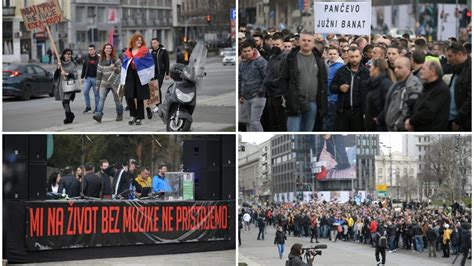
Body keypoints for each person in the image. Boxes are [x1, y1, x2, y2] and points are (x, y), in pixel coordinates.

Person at [280, 32, 327, 132]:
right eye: (304, 40)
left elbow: (323, 81)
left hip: (312, 102)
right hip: (294, 102)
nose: (306, 43)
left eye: (309, 41)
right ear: (299, 42)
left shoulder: (319, 59)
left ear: (313, 43)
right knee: (293, 132)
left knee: (307, 133)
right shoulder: (291, 58)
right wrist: (286, 96)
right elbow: (283, 79)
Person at [331, 47, 369, 131]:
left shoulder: (366, 72)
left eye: (356, 56)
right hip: (343, 111)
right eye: (352, 57)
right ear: (348, 57)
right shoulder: (341, 71)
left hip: (359, 112)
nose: (354, 59)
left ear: (360, 56)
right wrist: (339, 88)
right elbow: (332, 87)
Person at [404, 61, 450, 131]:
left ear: (433, 71)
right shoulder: (427, 87)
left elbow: (428, 112)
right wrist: (408, 118)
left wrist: (411, 122)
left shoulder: (441, 89)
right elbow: (418, 105)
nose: (420, 72)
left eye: (423, 69)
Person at [121, 33, 154, 126]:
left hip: (141, 75)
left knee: (140, 97)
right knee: (129, 96)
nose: (139, 41)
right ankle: (132, 115)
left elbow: (150, 62)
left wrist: (150, 75)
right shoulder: (128, 51)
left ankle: (139, 117)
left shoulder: (145, 51)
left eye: (141, 40)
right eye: (137, 40)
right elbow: (124, 63)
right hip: (130, 75)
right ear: (133, 41)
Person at [384, 57, 422, 131]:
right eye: (395, 67)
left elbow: (410, 109)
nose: (396, 70)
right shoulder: (396, 84)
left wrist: (398, 125)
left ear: (408, 68)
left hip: (401, 130)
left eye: (399, 67)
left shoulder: (413, 84)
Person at [238, 40, 267, 131]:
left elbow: (267, 78)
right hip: (246, 97)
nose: (247, 53)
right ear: (241, 52)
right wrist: (240, 94)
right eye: (244, 51)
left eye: (249, 51)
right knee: (250, 123)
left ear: (253, 50)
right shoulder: (242, 63)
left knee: (255, 122)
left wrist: (260, 92)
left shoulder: (261, 61)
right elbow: (240, 79)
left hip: (257, 97)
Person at [262, 33, 287, 131]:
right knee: (272, 121)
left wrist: (271, 82)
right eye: (274, 45)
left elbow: (283, 76)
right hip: (271, 93)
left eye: (278, 45)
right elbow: (268, 73)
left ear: (283, 45)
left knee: (281, 121)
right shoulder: (272, 57)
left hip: (280, 94)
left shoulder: (285, 57)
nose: (275, 47)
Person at [93, 43, 123, 123]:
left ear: (112, 50)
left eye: (110, 48)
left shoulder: (115, 59)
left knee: (117, 100)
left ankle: (119, 114)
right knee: (101, 99)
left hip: (115, 83)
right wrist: (97, 85)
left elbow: (120, 70)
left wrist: (115, 68)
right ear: (104, 49)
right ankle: (98, 115)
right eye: (107, 48)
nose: (108, 49)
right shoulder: (101, 60)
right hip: (104, 83)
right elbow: (99, 73)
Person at [446, 42, 471, 131]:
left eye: (450, 56)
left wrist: (458, 120)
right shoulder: (457, 69)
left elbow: (470, 99)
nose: (448, 60)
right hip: (451, 118)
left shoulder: (470, 70)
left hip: (463, 122)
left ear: (459, 54)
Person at [365, 58, 393, 131]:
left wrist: (378, 119)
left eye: (371, 67)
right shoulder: (373, 83)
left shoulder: (386, 84)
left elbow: (389, 105)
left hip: (380, 127)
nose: (369, 70)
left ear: (376, 69)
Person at [146, 37, 170, 119]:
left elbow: (167, 62)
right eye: (152, 43)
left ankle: (158, 105)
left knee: (157, 87)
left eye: (155, 42)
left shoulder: (163, 50)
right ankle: (156, 104)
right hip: (152, 72)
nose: (153, 44)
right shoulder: (149, 51)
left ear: (158, 43)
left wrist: (167, 73)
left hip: (160, 72)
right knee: (153, 88)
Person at [54, 48, 79, 124]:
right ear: (64, 55)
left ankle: (68, 118)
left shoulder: (73, 64)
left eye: (70, 54)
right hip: (62, 85)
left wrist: (67, 74)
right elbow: (56, 76)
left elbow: (76, 74)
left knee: (66, 101)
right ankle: (70, 115)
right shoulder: (60, 63)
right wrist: (58, 68)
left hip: (70, 85)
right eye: (67, 54)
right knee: (64, 102)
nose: (69, 55)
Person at [324, 46, 345, 131]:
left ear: (338, 55)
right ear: (327, 55)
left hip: (334, 99)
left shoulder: (340, 67)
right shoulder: (326, 64)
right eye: (330, 54)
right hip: (326, 99)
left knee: (330, 123)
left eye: (334, 54)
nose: (332, 56)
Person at [81, 44, 100, 114]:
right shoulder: (86, 58)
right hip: (87, 78)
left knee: (96, 94)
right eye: (89, 50)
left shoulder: (98, 58)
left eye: (91, 50)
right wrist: (82, 77)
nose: (90, 51)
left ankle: (97, 108)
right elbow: (84, 68)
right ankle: (88, 107)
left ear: (94, 50)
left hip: (96, 78)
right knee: (85, 92)